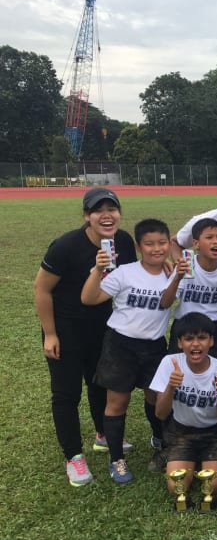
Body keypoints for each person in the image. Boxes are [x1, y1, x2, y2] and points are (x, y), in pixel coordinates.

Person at [34, 187, 137, 486]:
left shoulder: (124, 241)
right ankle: (74, 457)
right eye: (98, 210)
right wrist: (50, 334)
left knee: (99, 383)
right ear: (86, 216)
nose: (107, 216)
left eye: (112, 209)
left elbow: (129, 279)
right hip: (65, 328)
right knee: (67, 393)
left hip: (103, 325)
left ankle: (103, 435)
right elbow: (42, 289)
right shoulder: (66, 246)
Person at [80, 218, 175, 483]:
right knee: (117, 403)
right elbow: (89, 299)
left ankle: (160, 439)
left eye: (161, 243)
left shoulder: (172, 273)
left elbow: (172, 298)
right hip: (121, 345)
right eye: (149, 244)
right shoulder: (125, 272)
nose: (156, 249)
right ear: (138, 246)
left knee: (156, 398)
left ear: (169, 243)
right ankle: (116, 459)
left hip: (154, 346)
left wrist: (177, 273)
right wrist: (98, 270)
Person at [150, 312, 217, 498]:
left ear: (211, 341)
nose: (196, 344)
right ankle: (175, 454)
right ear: (180, 343)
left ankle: (200, 460)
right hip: (182, 432)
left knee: (214, 487)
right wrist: (171, 387)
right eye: (189, 339)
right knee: (176, 488)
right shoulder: (170, 363)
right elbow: (160, 414)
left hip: (214, 433)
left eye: (202, 338)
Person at [161, 218, 217, 358]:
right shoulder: (186, 266)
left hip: (214, 326)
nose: (216, 241)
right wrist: (177, 278)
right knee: (178, 369)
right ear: (196, 244)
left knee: (212, 371)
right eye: (209, 237)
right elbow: (165, 302)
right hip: (185, 324)